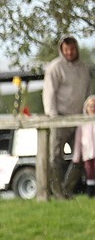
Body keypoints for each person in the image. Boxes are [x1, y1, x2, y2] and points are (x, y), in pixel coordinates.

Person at [42, 36, 91, 198]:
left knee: (83, 155)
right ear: (62, 50)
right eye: (66, 49)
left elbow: (87, 93)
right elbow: (49, 93)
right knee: (55, 157)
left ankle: (67, 189)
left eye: (72, 49)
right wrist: (53, 116)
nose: (70, 52)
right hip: (60, 118)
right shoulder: (55, 68)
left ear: (76, 48)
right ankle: (57, 193)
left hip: (79, 119)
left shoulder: (84, 68)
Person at [73, 95, 95, 198]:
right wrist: (76, 156)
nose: (92, 108)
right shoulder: (83, 122)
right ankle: (90, 192)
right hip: (88, 151)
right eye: (90, 106)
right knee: (89, 171)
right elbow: (78, 140)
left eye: (94, 106)